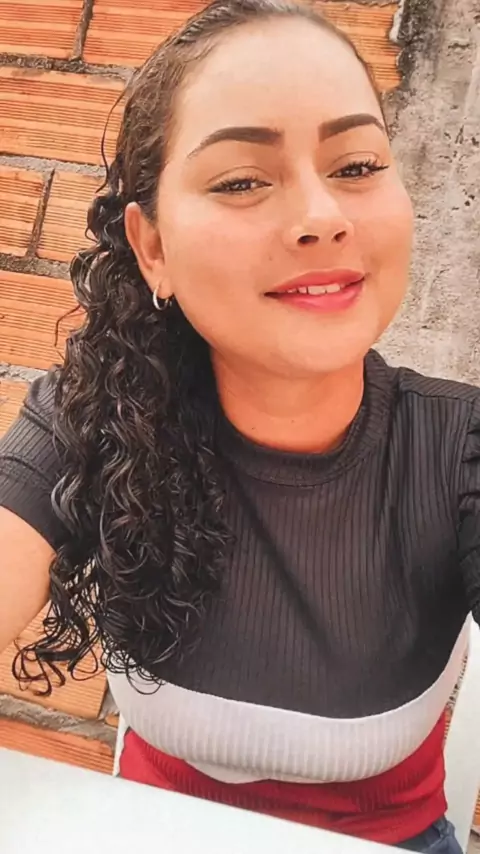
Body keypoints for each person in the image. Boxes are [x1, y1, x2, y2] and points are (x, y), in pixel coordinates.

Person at [0, 0, 477, 850]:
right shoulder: (89, 419)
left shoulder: (457, 449)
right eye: (242, 181)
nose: (322, 216)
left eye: (358, 165)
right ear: (152, 248)